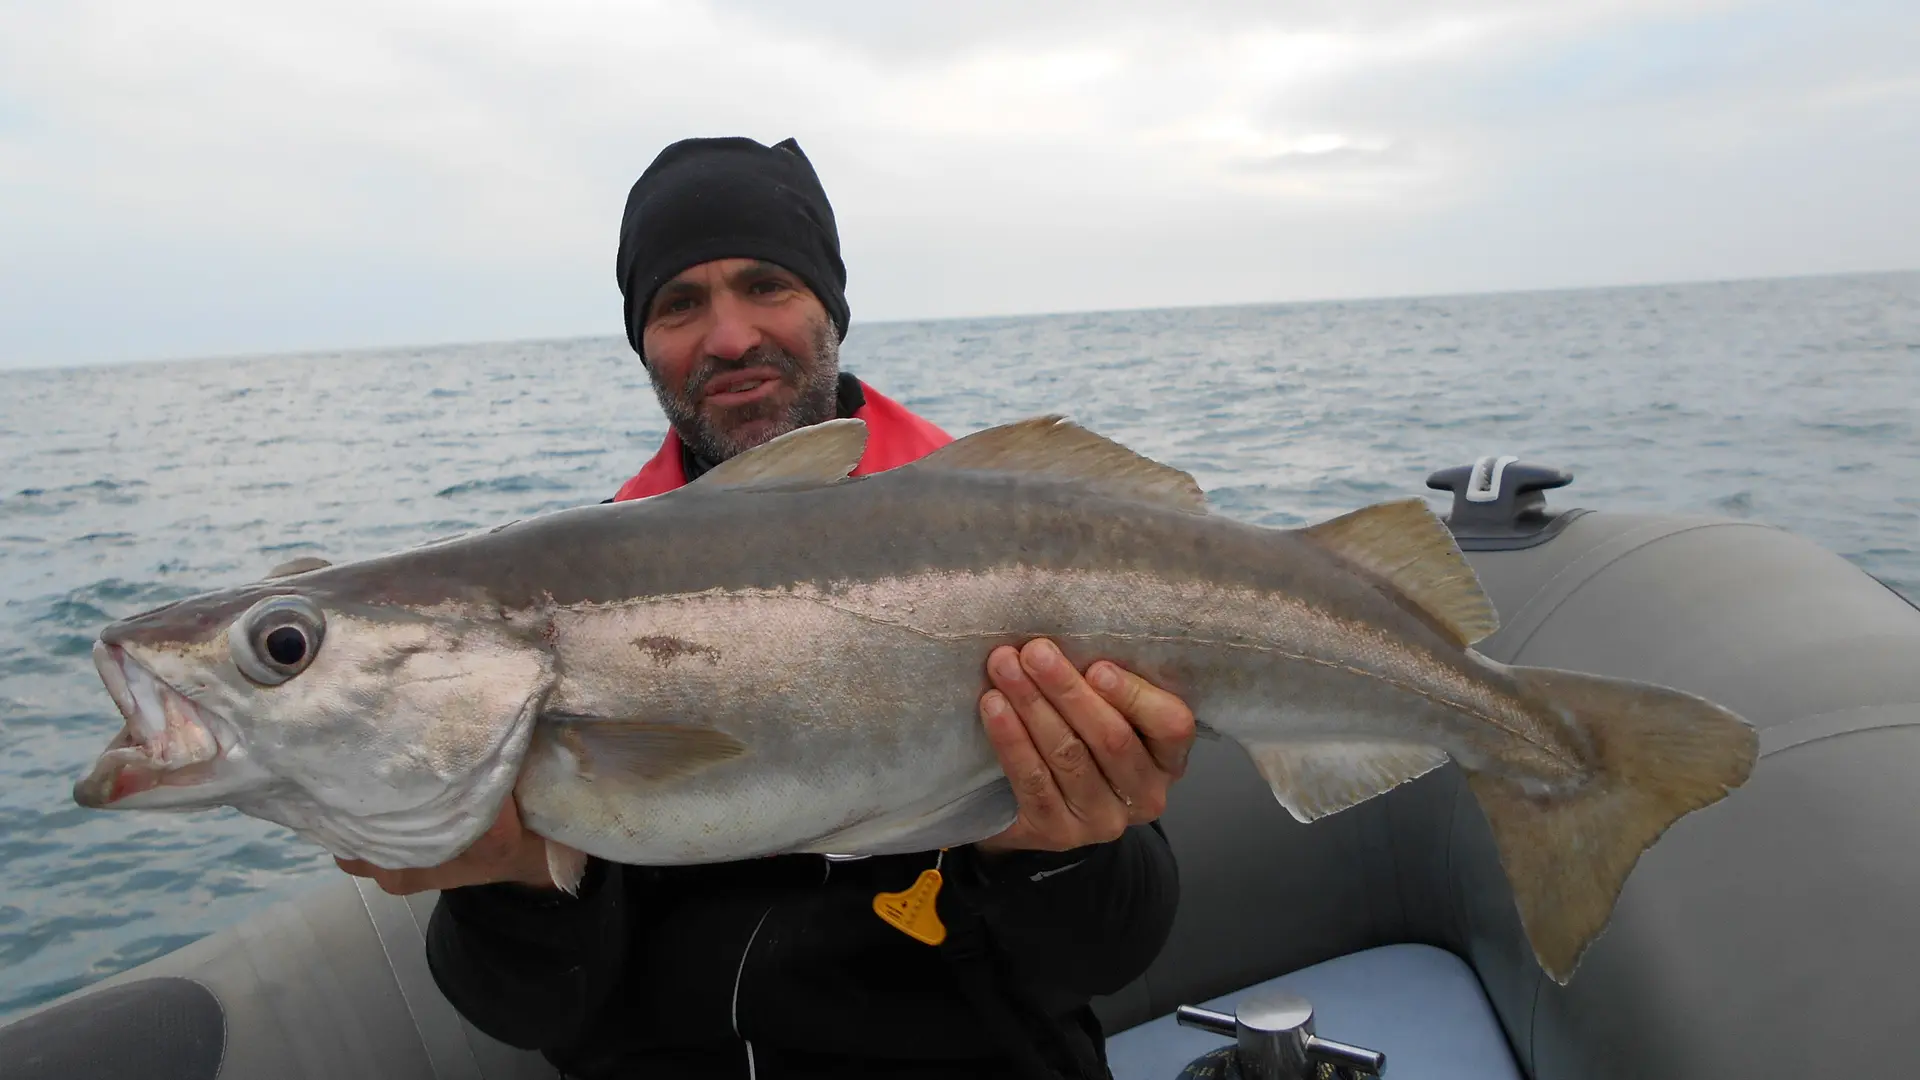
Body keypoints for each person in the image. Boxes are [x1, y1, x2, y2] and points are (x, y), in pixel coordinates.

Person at [337, 136, 1200, 1080]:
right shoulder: (565, 613)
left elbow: (1107, 957)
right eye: (679, 304)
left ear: (829, 305)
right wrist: (514, 885)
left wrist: (1053, 851)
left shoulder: (1019, 558)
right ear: (644, 343)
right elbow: (531, 1010)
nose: (729, 336)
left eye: (766, 285)